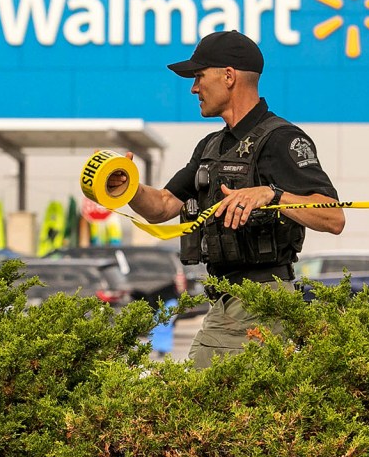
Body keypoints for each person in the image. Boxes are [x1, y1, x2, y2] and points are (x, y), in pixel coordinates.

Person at [107, 30, 345, 367]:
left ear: (229, 76)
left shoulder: (282, 139)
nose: (193, 88)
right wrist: (128, 186)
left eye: (199, 77)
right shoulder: (210, 147)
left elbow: (333, 216)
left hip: (260, 299)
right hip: (226, 299)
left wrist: (272, 194)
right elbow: (161, 206)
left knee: (196, 400)